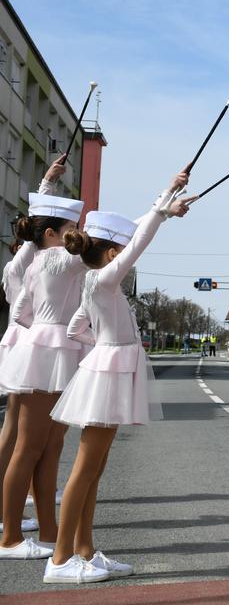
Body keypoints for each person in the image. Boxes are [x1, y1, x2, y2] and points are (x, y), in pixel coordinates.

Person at [45, 174, 193, 583]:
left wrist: (166, 200)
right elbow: (141, 241)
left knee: (94, 468)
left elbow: (77, 328)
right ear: (112, 254)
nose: (130, 256)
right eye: (123, 251)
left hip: (105, 370)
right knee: (85, 468)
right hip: (107, 374)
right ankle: (59, 561)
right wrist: (162, 207)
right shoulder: (106, 280)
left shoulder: (95, 281)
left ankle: (84, 550)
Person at [0, 187, 87, 560]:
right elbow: (119, 249)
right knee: (29, 446)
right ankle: (10, 538)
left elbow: (20, 311)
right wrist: (161, 209)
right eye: (71, 227)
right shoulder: (53, 260)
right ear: (49, 234)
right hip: (47, 355)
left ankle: (48, 531)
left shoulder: (43, 260)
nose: (77, 233)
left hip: (47, 352)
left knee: (49, 447)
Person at [0, 155, 66, 539]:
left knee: (22, 433)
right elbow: (36, 235)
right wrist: (45, 186)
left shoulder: (26, 263)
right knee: (24, 436)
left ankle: (18, 509)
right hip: (30, 346)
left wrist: (48, 184)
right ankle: (10, 519)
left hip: (25, 344)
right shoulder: (27, 264)